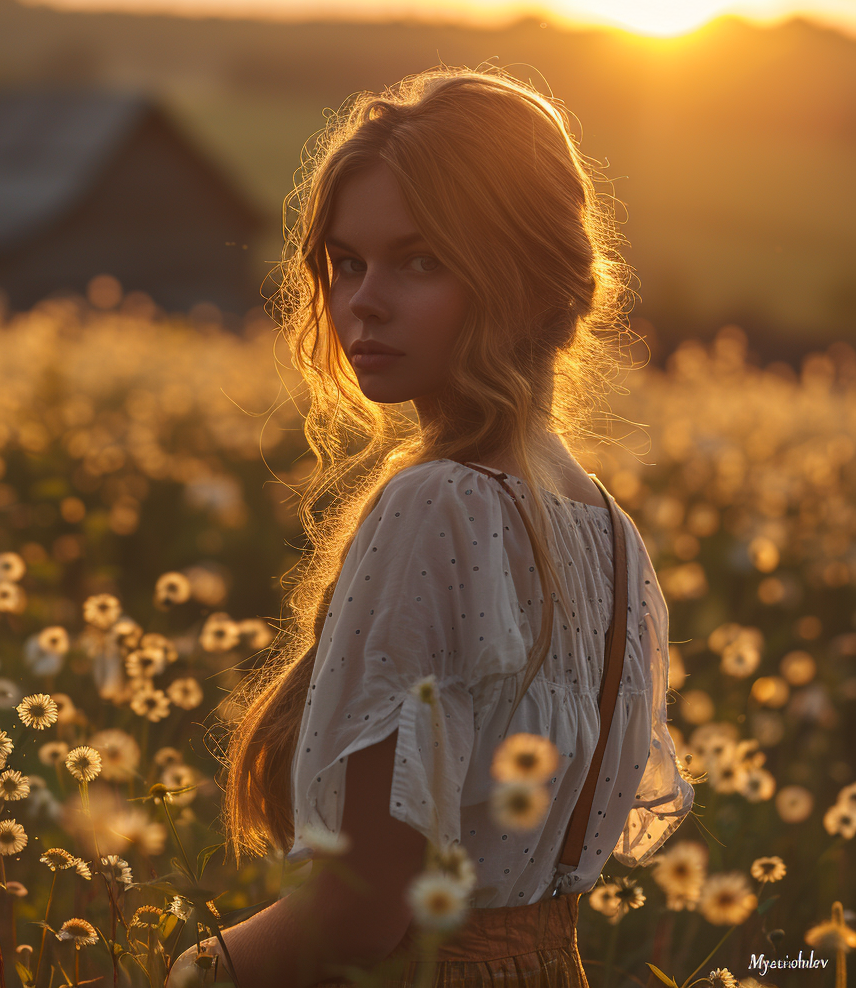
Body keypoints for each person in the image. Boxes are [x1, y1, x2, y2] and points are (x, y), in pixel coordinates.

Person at [167, 64, 695, 987]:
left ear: (527, 279)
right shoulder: (613, 535)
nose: (363, 300)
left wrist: (174, 973)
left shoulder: (439, 504)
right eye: (346, 262)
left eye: (420, 260)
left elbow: (362, 913)